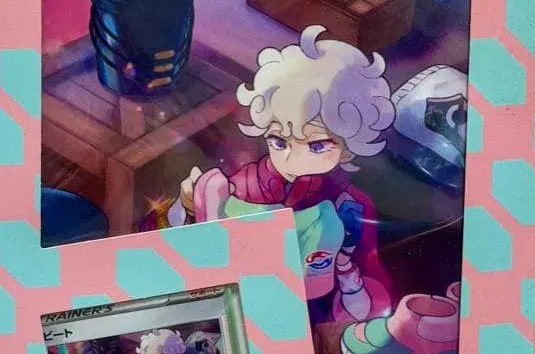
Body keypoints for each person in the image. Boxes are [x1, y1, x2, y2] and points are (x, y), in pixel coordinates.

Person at [167, 25, 395, 322]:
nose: (291, 159)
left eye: (316, 146)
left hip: (310, 313)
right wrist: (188, 207)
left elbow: (368, 281)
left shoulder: (351, 207)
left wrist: (346, 270)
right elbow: (193, 256)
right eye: (279, 141)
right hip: (235, 307)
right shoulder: (238, 187)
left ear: (348, 149)